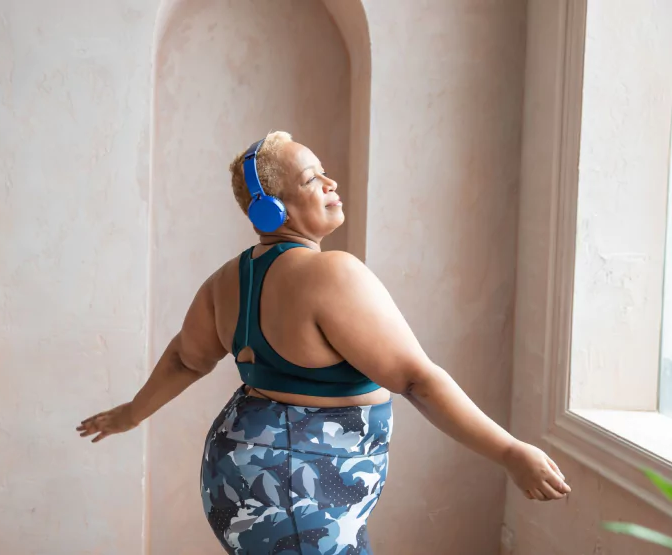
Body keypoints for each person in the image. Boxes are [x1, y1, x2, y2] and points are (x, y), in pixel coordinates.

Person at [77, 131, 571, 554]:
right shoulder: (331, 273)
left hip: (247, 484)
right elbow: (417, 380)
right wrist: (509, 452)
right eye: (312, 179)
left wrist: (131, 414)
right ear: (271, 209)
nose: (331, 183)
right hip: (296, 495)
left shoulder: (226, 281)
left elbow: (187, 360)